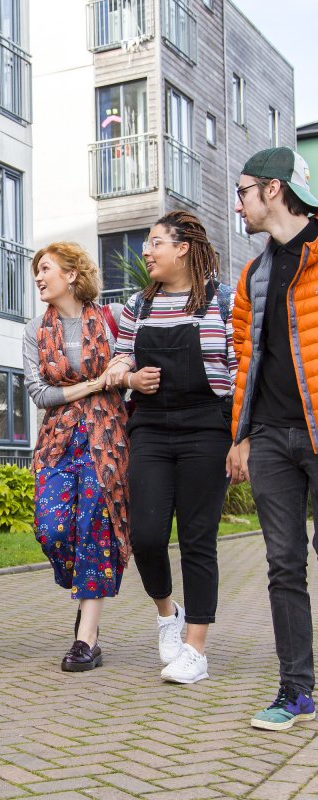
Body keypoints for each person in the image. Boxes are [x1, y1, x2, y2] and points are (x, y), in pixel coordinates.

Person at [105, 210, 235, 685]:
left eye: (156, 242)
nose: (147, 251)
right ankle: (167, 613)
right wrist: (130, 375)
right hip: (153, 428)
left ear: (183, 247)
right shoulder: (138, 306)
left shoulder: (221, 302)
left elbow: (240, 370)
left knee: (198, 539)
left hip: (207, 428)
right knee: (146, 536)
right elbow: (120, 361)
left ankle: (195, 649)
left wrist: (239, 438)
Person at [226, 147, 318, 730]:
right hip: (271, 437)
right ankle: (297, 691)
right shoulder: (253, 274)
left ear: (274, 189)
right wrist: (241, 435)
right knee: (283, 564)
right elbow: (245, 360)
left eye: (243, 191)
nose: (238, 203)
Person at [23, 241, 131, 672]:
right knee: (51, 530)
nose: (38, 277)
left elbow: (136, 354)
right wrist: (95, 382)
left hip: (106, 437)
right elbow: (39, 393)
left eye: (45, 268)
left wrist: (122, 367)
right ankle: (87, 590)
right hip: (57, 439)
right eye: (36, 270)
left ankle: (87, 636)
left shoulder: (114, 319)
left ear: (71, 274)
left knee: (94, 525)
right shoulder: (34, 329)